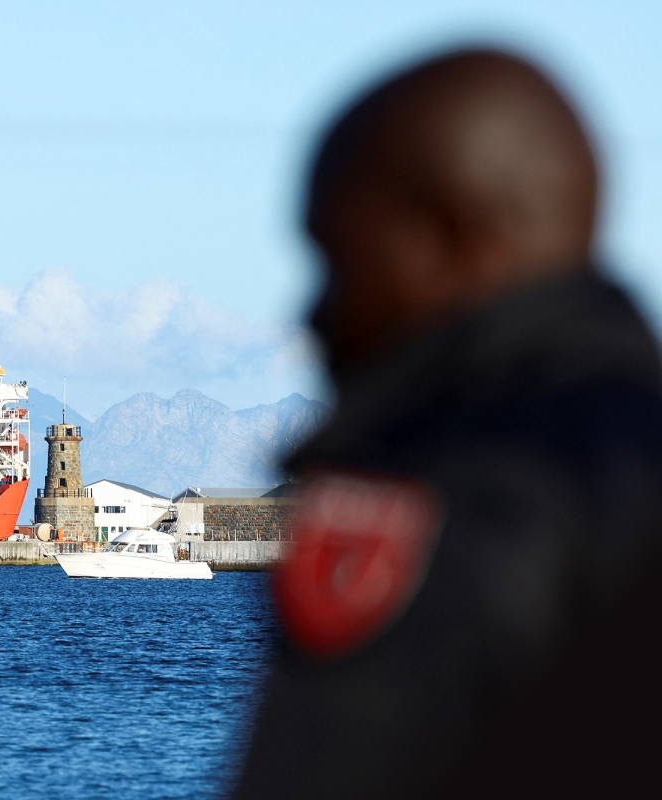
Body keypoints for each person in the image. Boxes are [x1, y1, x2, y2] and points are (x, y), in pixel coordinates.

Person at [235, 49, 662, 798]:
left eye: (339, 261)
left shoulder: (452, 503)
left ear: (450, 236)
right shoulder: (631, 448)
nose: (314, 314)